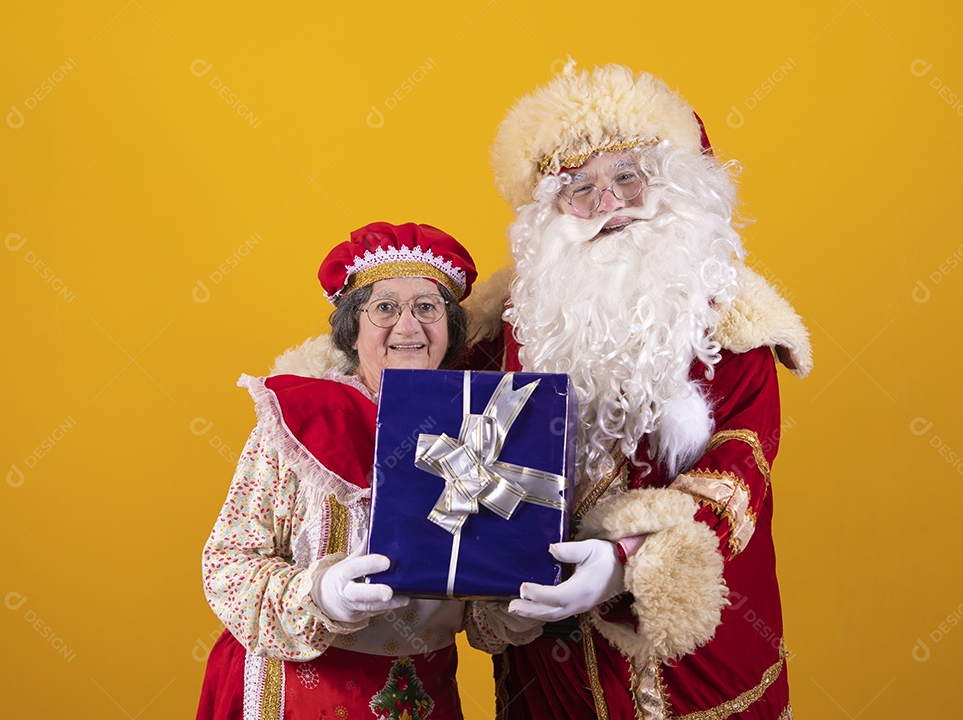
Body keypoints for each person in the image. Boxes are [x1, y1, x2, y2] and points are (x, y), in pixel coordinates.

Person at [461, 63, 813, 719]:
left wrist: (627, 560)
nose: (609, 205)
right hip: (547, 668)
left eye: (628, 177)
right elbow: (446, 442)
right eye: (580, 188)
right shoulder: (507, 325)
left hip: (693, 672)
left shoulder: (732, 326)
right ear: (547, 212)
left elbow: (737, 471)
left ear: (674, 184)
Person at [196, 221, 478, 720]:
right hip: (295, 690)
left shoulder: (483, 427)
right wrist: (321, 595)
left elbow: (483, 588)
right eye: (385, 307)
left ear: (450, 327)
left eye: (427, 307)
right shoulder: (298, 418)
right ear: (353, 325)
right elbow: (226, 566)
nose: (408, 327)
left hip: (424, 693)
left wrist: (519, 596)